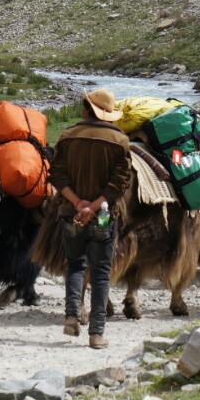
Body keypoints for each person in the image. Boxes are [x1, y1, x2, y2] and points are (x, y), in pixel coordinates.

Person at [50, 89, 132, 350]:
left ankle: (72, 316)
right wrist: (94, 207)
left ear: (86, 108)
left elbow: (56, 175)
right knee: (100, 273)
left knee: (74, 265)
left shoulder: (67, 136)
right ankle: (96, 334)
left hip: (69, 212)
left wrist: (78, 204)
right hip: (104, 215)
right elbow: (120, 183)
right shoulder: (119, 140)